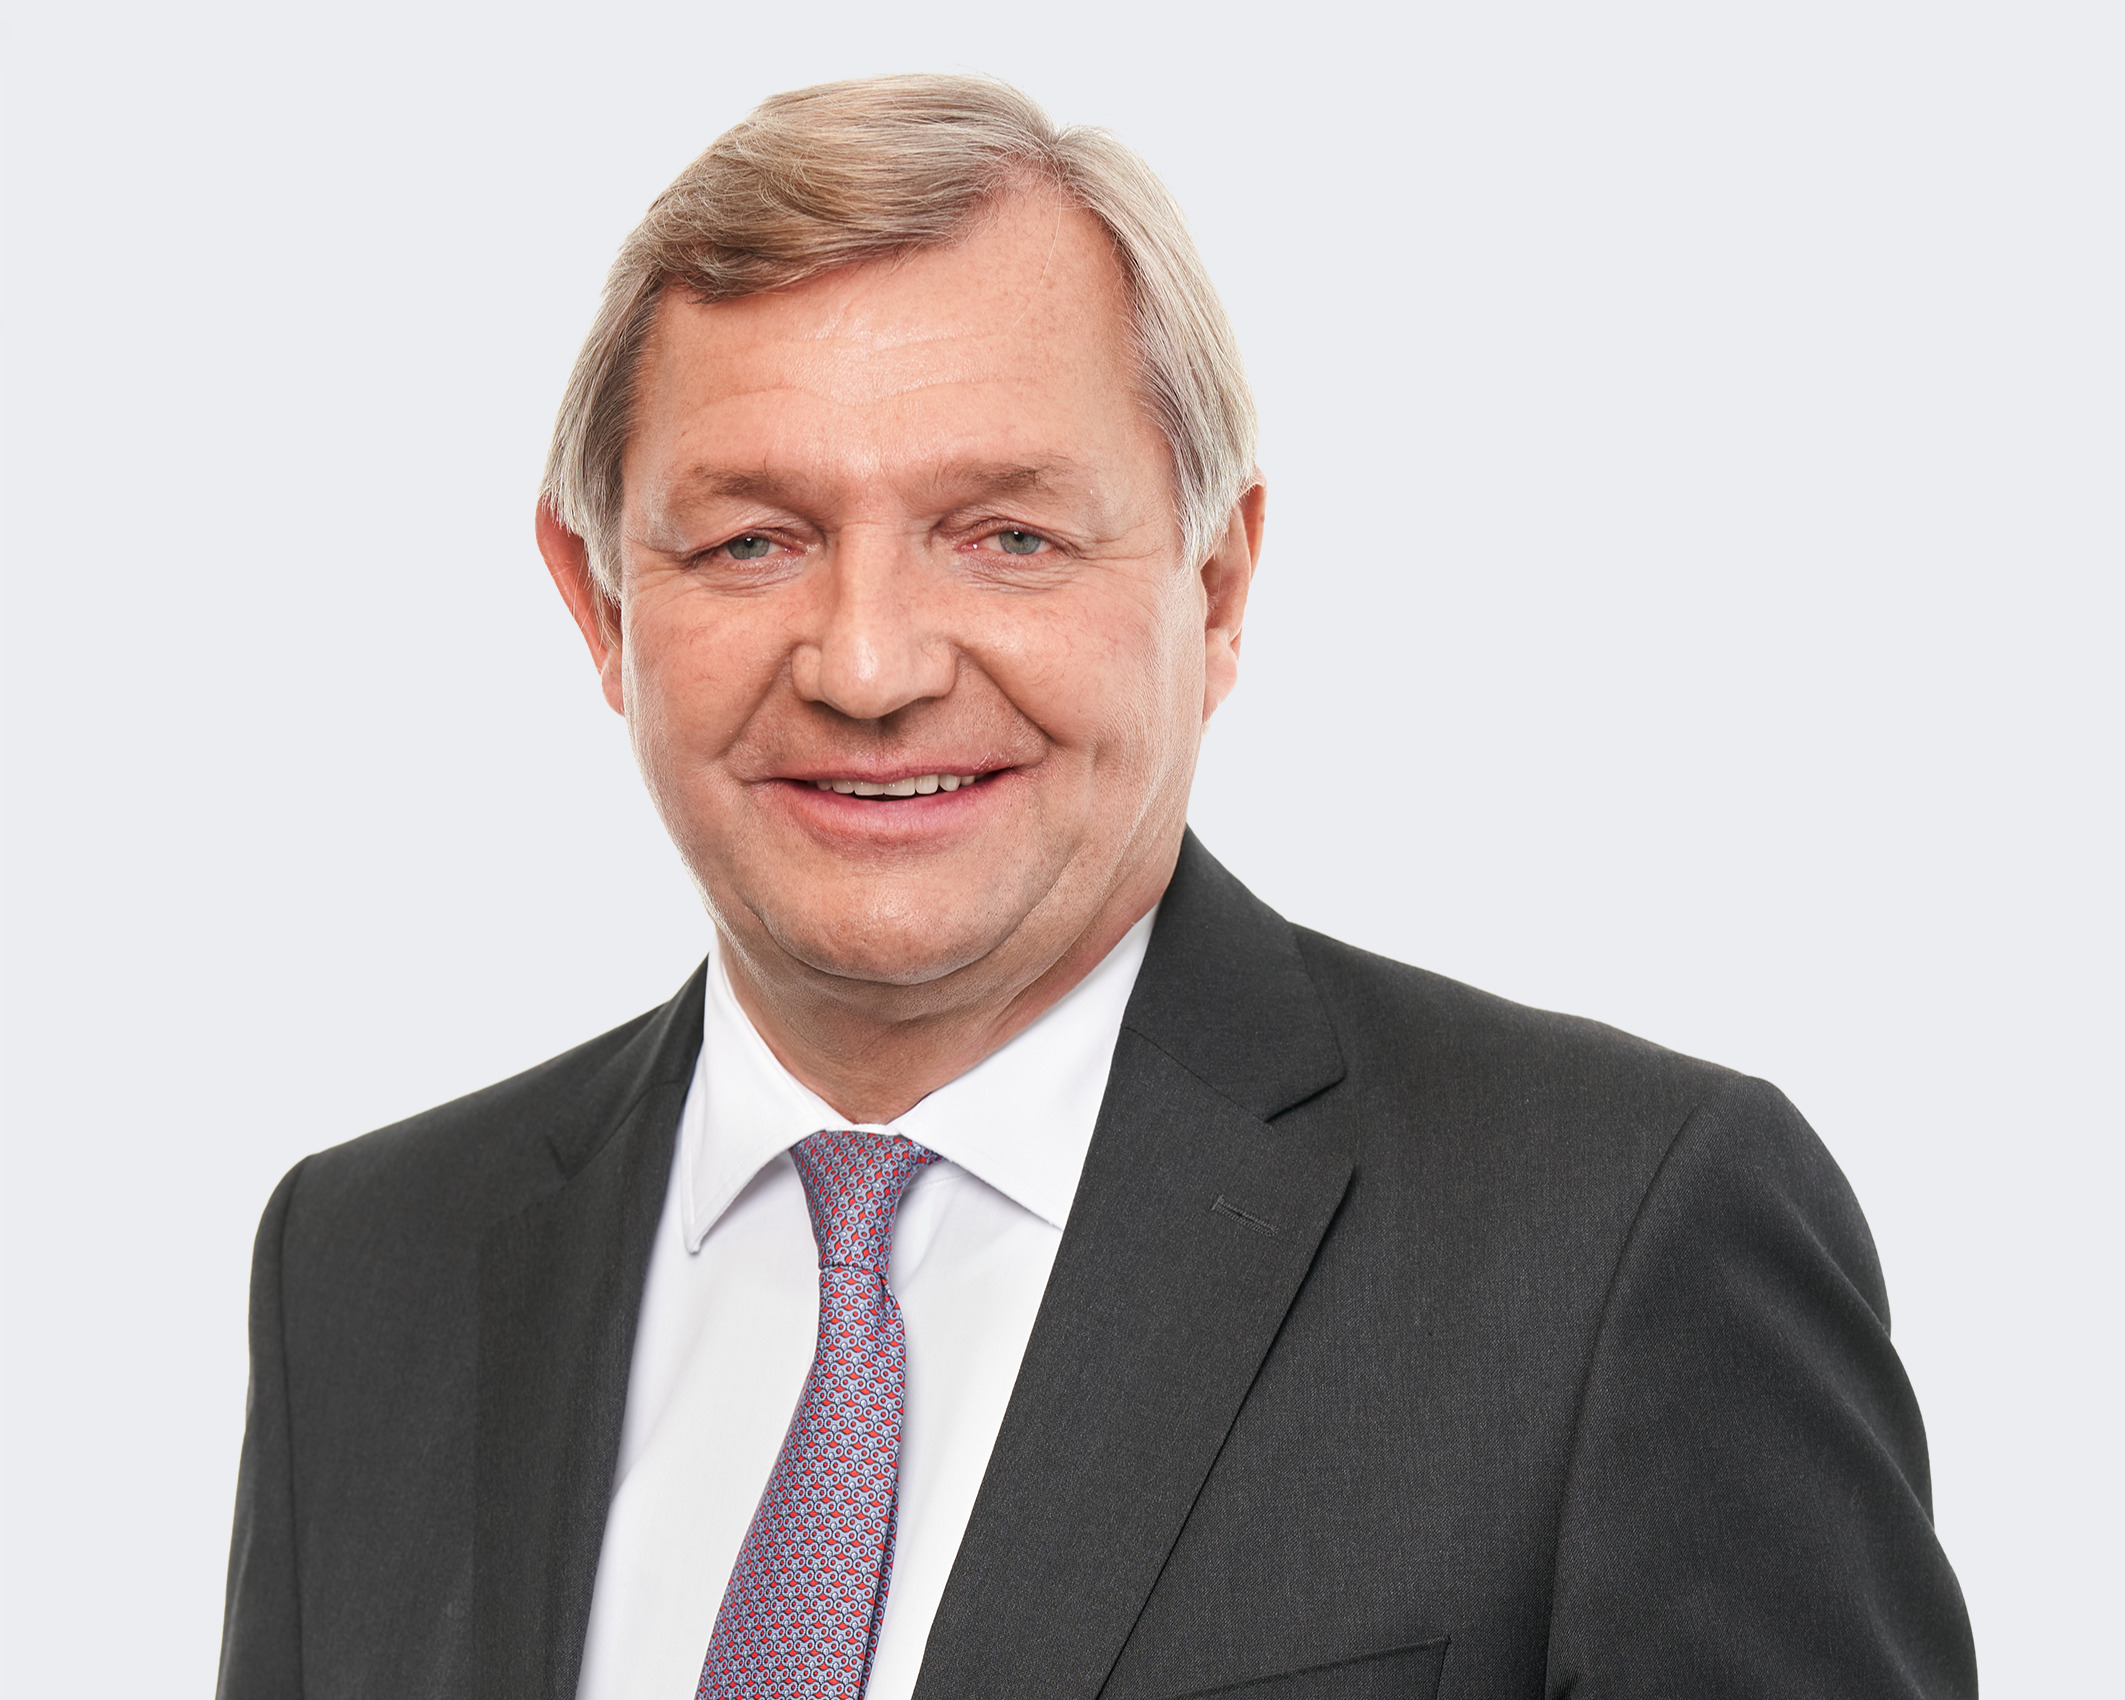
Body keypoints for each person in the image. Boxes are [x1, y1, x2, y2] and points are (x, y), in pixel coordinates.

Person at [215, 74, 1977, 1700]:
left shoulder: (1610, 1242)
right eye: (753, 540)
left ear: (1216, 587)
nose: (869, 665)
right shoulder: (364, 1267)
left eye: (1008, 536)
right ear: (599, 603)